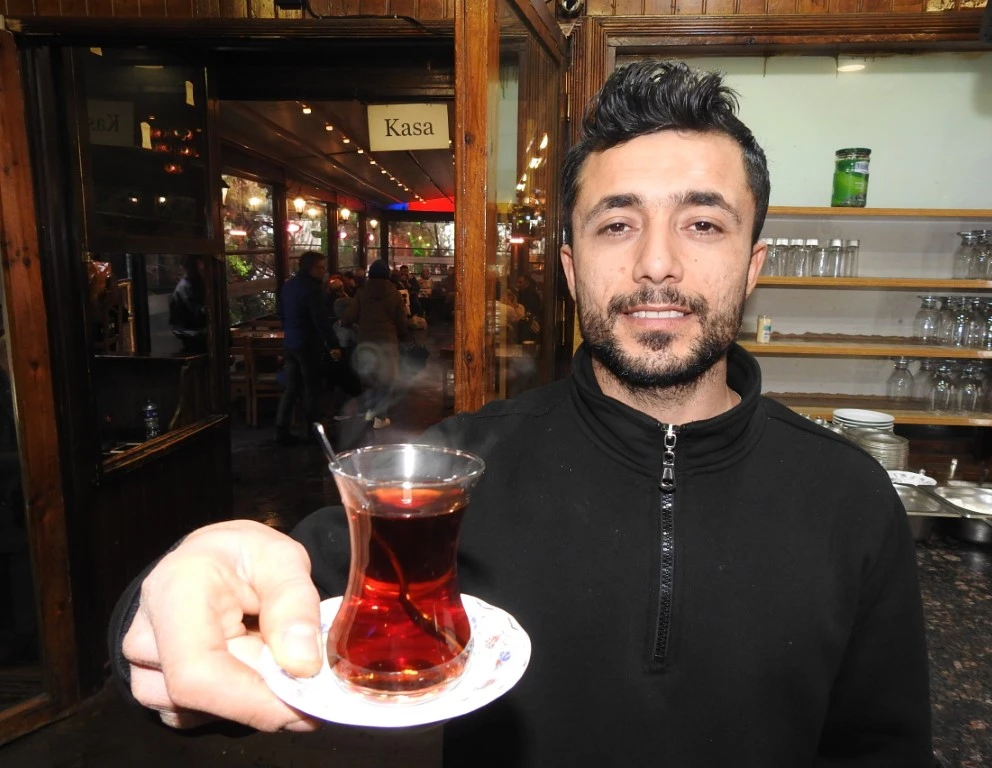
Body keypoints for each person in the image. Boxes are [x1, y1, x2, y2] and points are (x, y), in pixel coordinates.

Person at [110, 62, 933, 766]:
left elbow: (882, 749)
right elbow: (256, 602)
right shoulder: (461, 467)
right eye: (618, 224)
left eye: (703, 223)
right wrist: (162, 605)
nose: (656, 263)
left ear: (753, 265)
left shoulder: (850, 499)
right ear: (571, 269)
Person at [273, 251, 342, 445]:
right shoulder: (313, 289)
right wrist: (333, 345)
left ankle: (281, 430)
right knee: (313, 389)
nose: (324, 271)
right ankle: (314, 433)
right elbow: (320, 321)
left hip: (290, 343)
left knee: (292, 388)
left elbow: (280, 313)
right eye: (321, 267)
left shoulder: (288, 286)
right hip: (308, 344)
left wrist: (290, 329)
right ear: (311, 268)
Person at [340, 259, 407, 429]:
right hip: (387, 342)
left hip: (366, 341)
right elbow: (401, 321)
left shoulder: (361, 293)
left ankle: (370, 411)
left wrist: (346, 322)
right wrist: (403, 333)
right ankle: (380, 418)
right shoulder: (395, 294)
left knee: (370, 379)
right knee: (385, 380)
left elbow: (350, 316)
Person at [167, 255, 207, 355]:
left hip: (196, 331)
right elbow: (197, 313)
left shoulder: (198, 282)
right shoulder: (184, 288)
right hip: (191, 333)